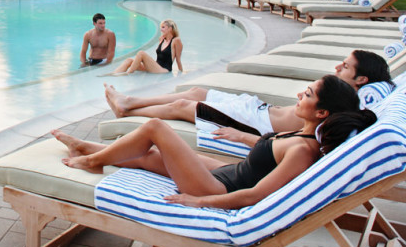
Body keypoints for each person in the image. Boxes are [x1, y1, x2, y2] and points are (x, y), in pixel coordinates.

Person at [54, 75, 375, 208]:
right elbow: (267, 153)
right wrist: (244, 136)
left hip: (218, 190)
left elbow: (255, 196)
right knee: (153, 155)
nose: (298, 95)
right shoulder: (305, 134)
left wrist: (198, 202)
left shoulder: (304, 151)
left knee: (155, 128)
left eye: (306, 95)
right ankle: (87, 148)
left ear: (321, 111)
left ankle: (92, 162)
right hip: (231, 173)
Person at [104, 50, 392, 147]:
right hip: (258, 108)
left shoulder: (341, 109)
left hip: (254, 122)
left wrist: (243, 137)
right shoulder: (341, 95)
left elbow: (300, 139)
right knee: (194, 92)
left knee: (183, 106)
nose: (337, 67)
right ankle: (129, 101)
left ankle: (127, 111)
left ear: (362, 80)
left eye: (346, 67)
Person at [107, 19, 183, 75]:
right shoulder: (162, 39)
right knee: (129, 60)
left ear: (170, 29)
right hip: (155, 67)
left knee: (141, 53)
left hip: (164, 70)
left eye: (163, 27)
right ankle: (113, 74)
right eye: (161, 27)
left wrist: (182, 73)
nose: (161, 29)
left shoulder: (176, 40)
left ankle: (128, 73)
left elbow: (178, 60)